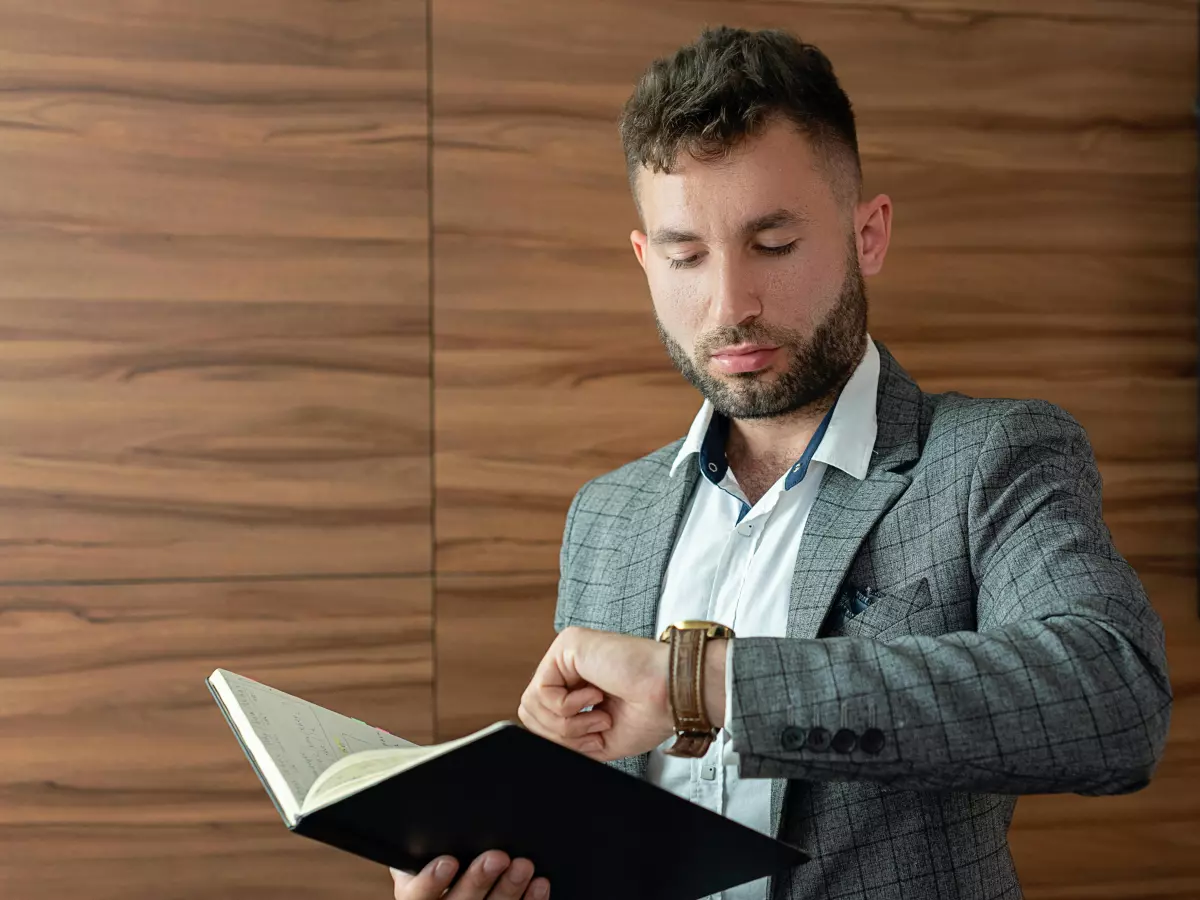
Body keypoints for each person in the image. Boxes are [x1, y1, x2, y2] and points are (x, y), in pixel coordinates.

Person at [392, 25, 1172, 900]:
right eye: (687, 255)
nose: (731, 303)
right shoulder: (604, 518)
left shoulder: (992, 458)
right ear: (647, 262)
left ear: (866, 234)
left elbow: (1113, 701)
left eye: (774, 245)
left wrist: (699, 684)